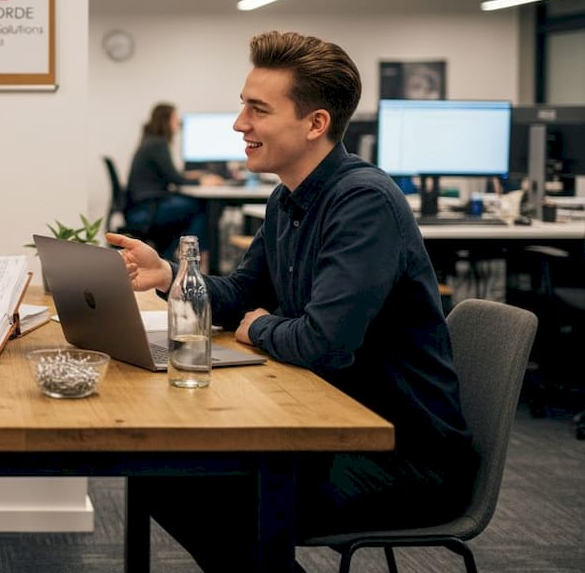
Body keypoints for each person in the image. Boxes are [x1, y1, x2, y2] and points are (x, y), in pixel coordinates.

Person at [108, 31, 475, 571]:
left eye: (257, 110)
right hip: (332, 425)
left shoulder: (362, 204)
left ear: (315, 123)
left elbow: (323, 345)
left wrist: (258, 329)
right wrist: (169, 273)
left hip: (399, 454)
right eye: (243, 106)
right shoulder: (289, 197)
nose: (239, 124)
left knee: (189, 485)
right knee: (166, 473)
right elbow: (239, 296)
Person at [125, 103, 224, 260]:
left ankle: (173, 255)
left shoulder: (152, 142)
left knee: (193, 209)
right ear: (166, 120)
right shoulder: (158, 144)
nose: (178, 123)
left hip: (144, 205)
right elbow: (175, 179)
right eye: (175, 118)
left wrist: (194, 177)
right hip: (147, 209)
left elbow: (170, 175)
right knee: (202, 207)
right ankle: (188, 256)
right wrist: (202, 181)